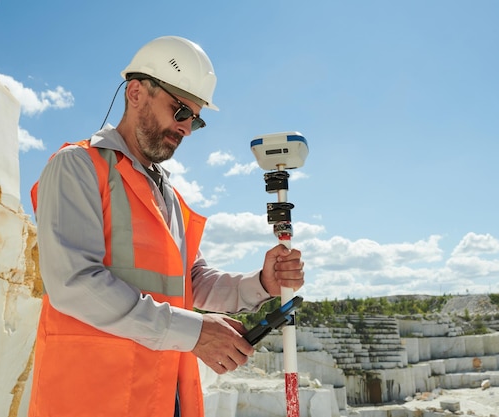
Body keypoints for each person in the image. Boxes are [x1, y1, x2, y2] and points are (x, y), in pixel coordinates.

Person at [27, 36, 305, 417]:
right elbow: (74, 283)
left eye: (196, 118)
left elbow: (193, 281)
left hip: (161, 396)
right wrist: (195, 333)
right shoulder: (77, 167)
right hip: (92, 398)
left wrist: (261, 283)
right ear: (136, 92)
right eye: (179, 111)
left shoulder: (167, 195)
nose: (187, 129)